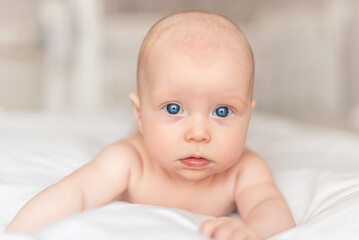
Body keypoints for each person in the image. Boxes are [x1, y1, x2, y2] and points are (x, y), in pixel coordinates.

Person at [6, 11, 295, 239]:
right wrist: (16, 233)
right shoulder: (130, 161)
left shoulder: (244, 170)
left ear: (248, 116)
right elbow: (76, 192)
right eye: (173, 108)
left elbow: (270, 209)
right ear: (139, 114)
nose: (198, 133)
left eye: (222, 111)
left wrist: (252, 232)